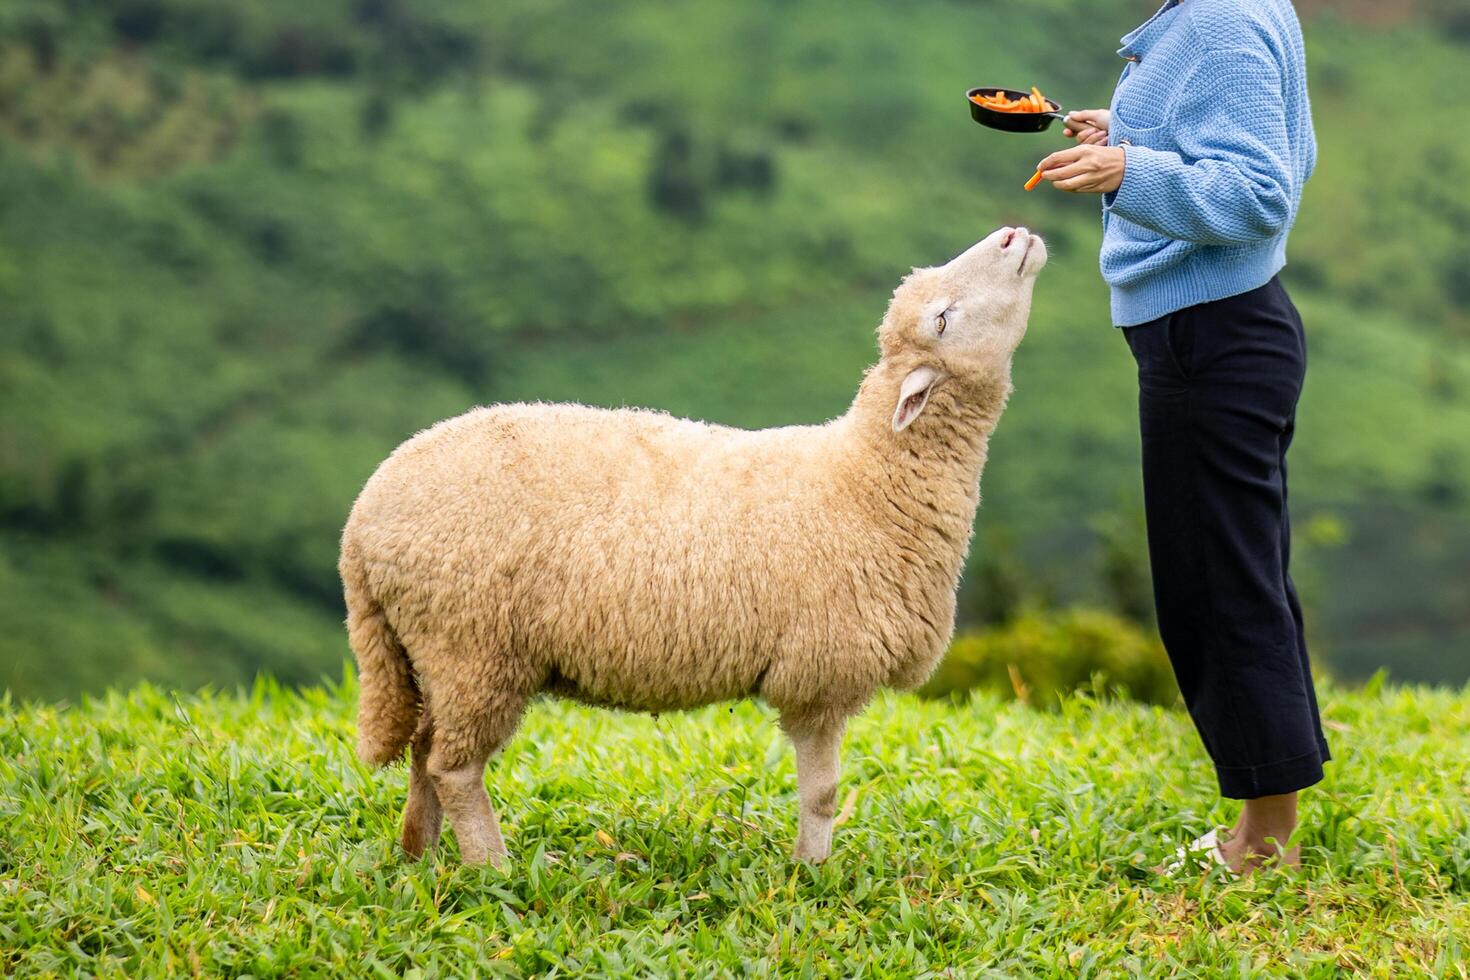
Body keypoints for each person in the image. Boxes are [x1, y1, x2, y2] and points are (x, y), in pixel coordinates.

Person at [1033, 0, 1326, 873]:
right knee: (1242, 574)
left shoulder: (1219, 22)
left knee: (1217, 591)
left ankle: (1263, 842)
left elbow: (1263, 189)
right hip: (1228, 330)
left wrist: (1130, 170)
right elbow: (1246, 134)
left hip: (1212, 338)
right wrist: (1129, 132)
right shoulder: (1231, 7)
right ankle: (1271, 813)